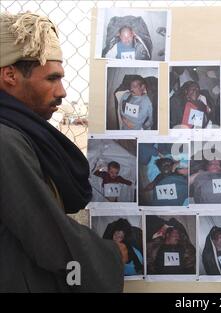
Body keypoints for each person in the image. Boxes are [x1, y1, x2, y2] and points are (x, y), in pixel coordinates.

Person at [0, 12, 124, 292]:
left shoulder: (18, 134)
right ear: (10, 75)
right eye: (52, 79)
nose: (63, 91)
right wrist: (113, 256)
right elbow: (47, 237)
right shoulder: (6, 141)